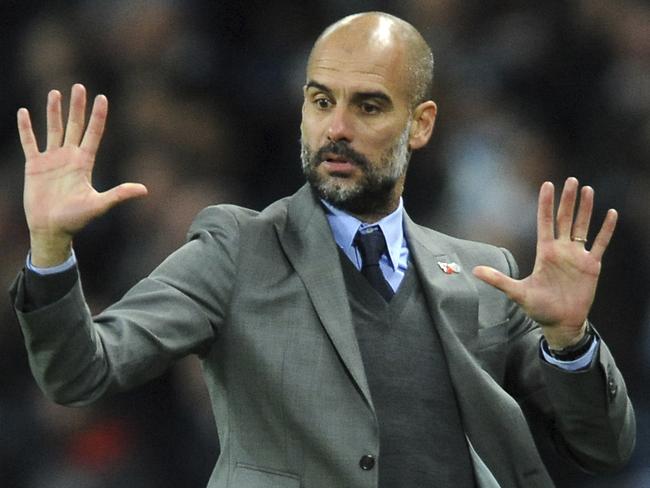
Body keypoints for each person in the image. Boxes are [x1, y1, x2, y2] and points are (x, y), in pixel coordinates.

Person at [11, 11, 634, 488]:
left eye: (368, 106)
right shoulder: (237, 248)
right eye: (320, 101)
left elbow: (604, 447)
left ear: (421, 124)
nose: (336, 127)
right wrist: (49, 248)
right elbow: (79, 372)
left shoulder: (484, 274)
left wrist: (572, 344)